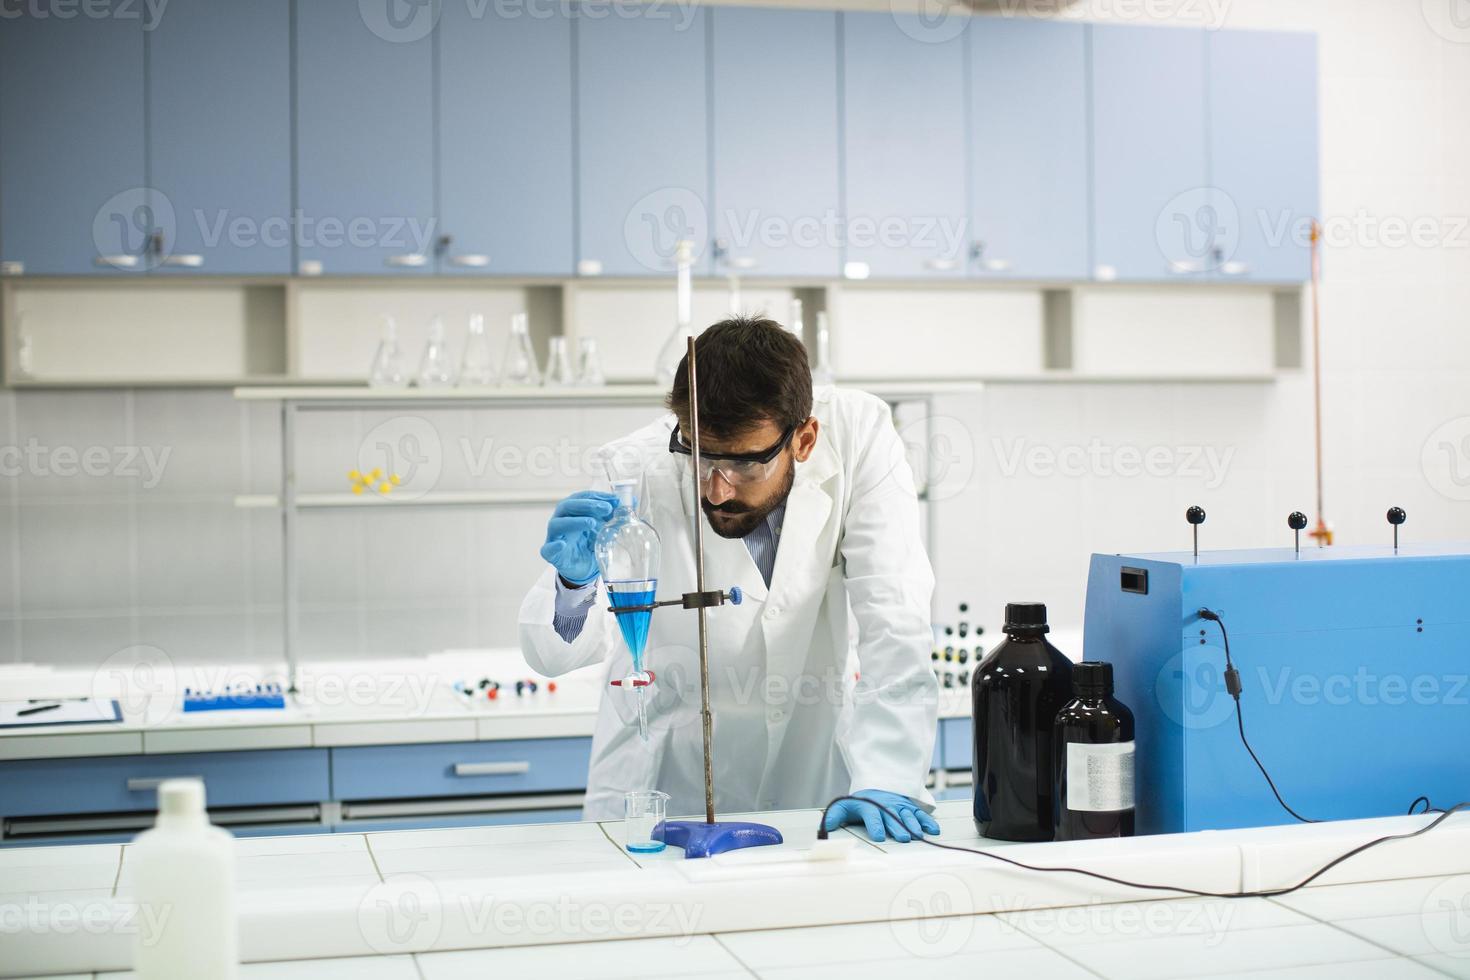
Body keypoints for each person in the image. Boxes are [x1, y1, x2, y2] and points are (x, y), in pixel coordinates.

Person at [519, 316, 940, 843]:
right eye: (699, 457)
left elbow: (894, 615)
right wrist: (572, 585)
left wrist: (889, 777)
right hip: (666, 787)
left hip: (808, 779)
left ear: (803, 440)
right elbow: (551, 655)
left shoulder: (859, 438)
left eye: (744, 465)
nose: (716, 491)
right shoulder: (634, 471)